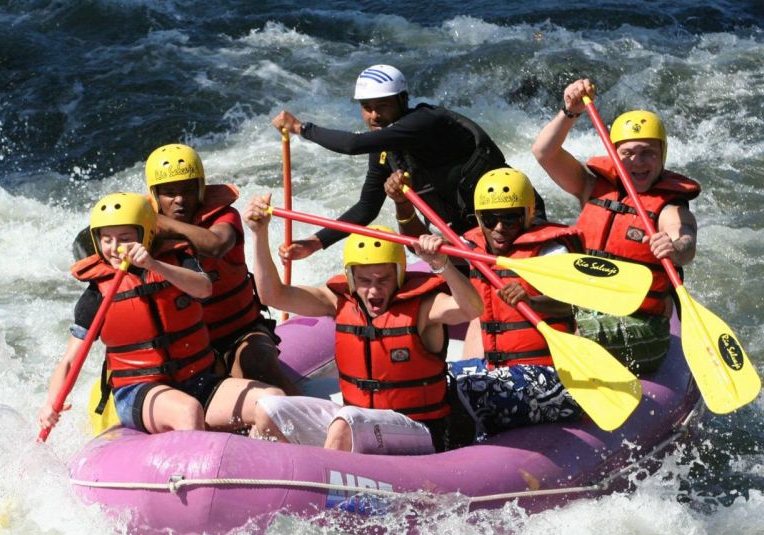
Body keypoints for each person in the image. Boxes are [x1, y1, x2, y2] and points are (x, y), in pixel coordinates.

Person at [243, 194, 484, 452]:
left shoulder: (425, 308)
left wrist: (442, 264)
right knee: (270, 410)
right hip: (359, 421)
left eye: (383, 280)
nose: (373, 291)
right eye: (365, 281)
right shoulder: (337, 302)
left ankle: (325, 484)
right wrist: (259, 232)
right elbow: (272, 295)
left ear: (399, 275)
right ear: (351, 278)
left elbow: (472, 308)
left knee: (346, 423)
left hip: (420, 429)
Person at [37, 192, 287, 439]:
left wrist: (153, 265)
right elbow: (70, 360)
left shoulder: (178, 261)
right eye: (106, 239)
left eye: (124, 238)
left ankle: (267, 465)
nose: (114, 248)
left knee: (272, 402)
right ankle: (198, 475)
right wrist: (51, 403)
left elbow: (204, 288)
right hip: (138, 391)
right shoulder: (96, 295)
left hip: (197, 380)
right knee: (188, 412)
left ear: (146, 235)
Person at [271, 63, 546, 262]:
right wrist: (313, 244)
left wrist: (301, 128)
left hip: (514, 218)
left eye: (383, 106)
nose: (374, 116)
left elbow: (352, 144)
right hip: (472, 232)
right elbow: (366, 209)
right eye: (367, 108)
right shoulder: (386, 150)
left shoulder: (427, 122)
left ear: (403, 100)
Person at [531, 78, 700, 373]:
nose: (638, 160)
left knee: (575, 333)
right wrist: (569, 112)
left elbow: (685, 237)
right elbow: (544, 153)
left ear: (662, 157)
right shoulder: (590, 187)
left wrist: (674, 247)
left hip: (641, 323)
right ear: (615, 156)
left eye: (649, 152)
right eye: (628, 153)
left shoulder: (668, 207)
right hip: (585, 306)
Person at [143, 143, 299, 395]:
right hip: (186, 347)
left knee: (256, 362)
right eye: (169, 193)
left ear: (201, 190)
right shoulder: (145, 231)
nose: (180, 199)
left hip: (239, 334)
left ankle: (310, 423)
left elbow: (216, 245)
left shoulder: (224, 217)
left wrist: (167, 226)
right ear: (155, 196)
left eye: (188, 190)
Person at [448, 168, 585, 444]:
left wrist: (531, 301)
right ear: (478, 219)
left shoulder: (552, 252)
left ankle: (461, 458)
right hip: (495, 371)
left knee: (470, 390)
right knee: (434, 384)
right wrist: (405, 211)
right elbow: (422, 246)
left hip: (553, 379)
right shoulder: (472, 247)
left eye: (510, 218)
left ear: (528, 215)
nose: (499, 228)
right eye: (490, 219)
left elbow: (575, 304)